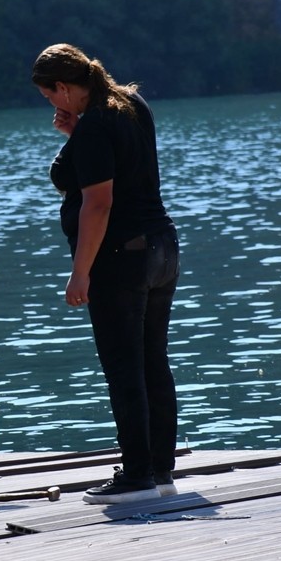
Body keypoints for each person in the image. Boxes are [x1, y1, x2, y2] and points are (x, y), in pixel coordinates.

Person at [30, 43, 181, 504]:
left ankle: (136, 476)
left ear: (63, 87)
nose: (51, 104)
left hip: (122, 256)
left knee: (123, 366)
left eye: (49, 95)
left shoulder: (96, 122)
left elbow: (98, 204)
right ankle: (160, 470)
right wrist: (75, 133)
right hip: (161, 247)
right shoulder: (131, 104)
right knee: (153, 360)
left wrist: (80, 272)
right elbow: (121, 165)